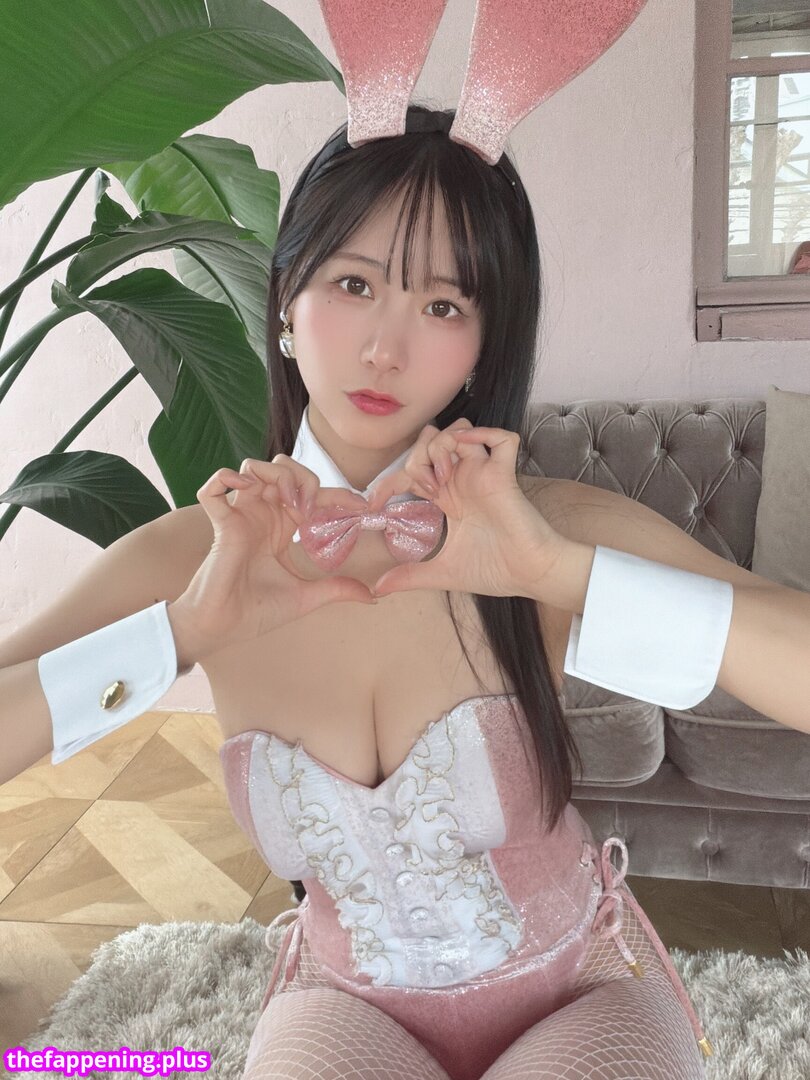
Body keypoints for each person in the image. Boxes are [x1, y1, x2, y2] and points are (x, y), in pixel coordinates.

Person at [4, 98, 810, 1079]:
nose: (386, 347)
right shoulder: (197, 558)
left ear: (484, 344)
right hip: (345, 1004)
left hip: (578, 987)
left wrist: (559, 573)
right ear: (286, 301)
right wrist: (177, 633)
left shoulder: (540, 526)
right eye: (353, 284)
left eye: (443, 307)